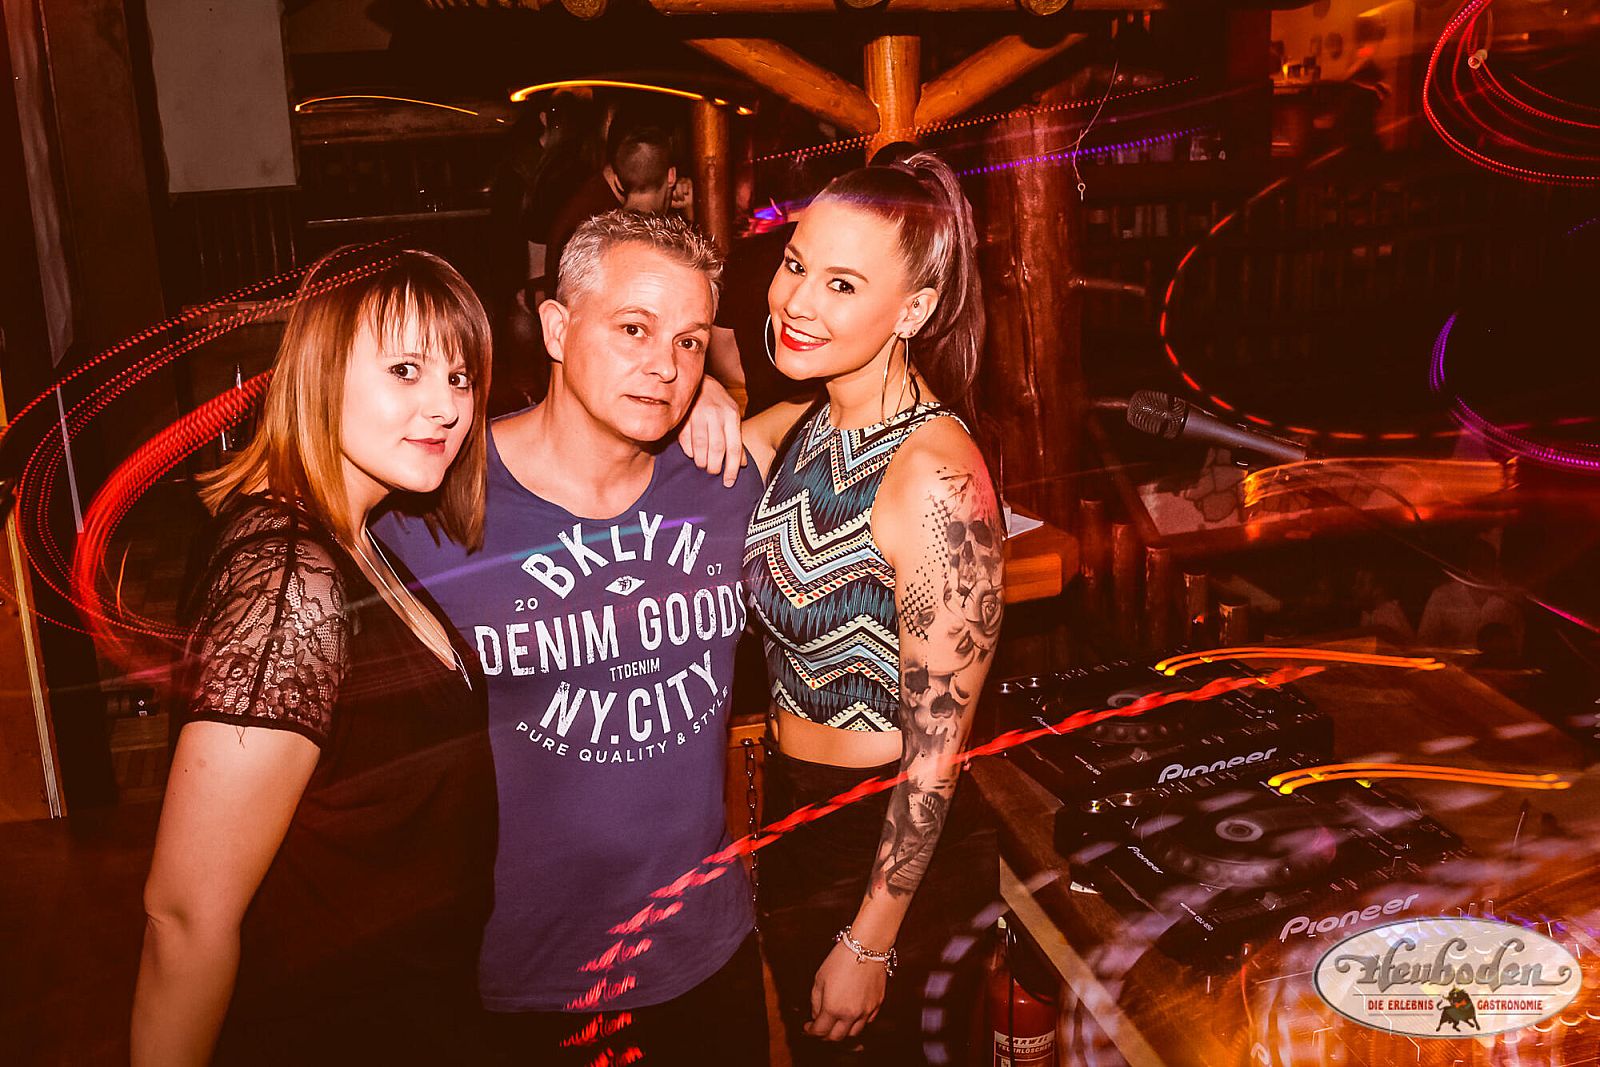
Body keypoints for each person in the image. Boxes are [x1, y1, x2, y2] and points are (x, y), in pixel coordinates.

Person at [374, 210, 768, 1066]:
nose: (665, 365)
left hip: (706, 959)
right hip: (528, 984)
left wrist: (718, 394)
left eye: (689, 341)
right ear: (556, 328)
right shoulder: (432, 504)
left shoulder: (726, 481)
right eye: (633, 328)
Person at [132, 246, 497, 1065]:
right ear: (321, 369)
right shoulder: (291, 578)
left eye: (459, 377)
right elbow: (184, 915)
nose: (445, 406)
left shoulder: (354, 533)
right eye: (405, 369)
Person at [738, 149, 1005, 1064]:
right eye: (795, 264)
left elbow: (938, 752)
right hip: (798, 816)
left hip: (885, 846)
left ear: (915, 309)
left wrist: (871, 940)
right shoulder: (804, 425)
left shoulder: (934, 478)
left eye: (842, 284)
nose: (797, 301)